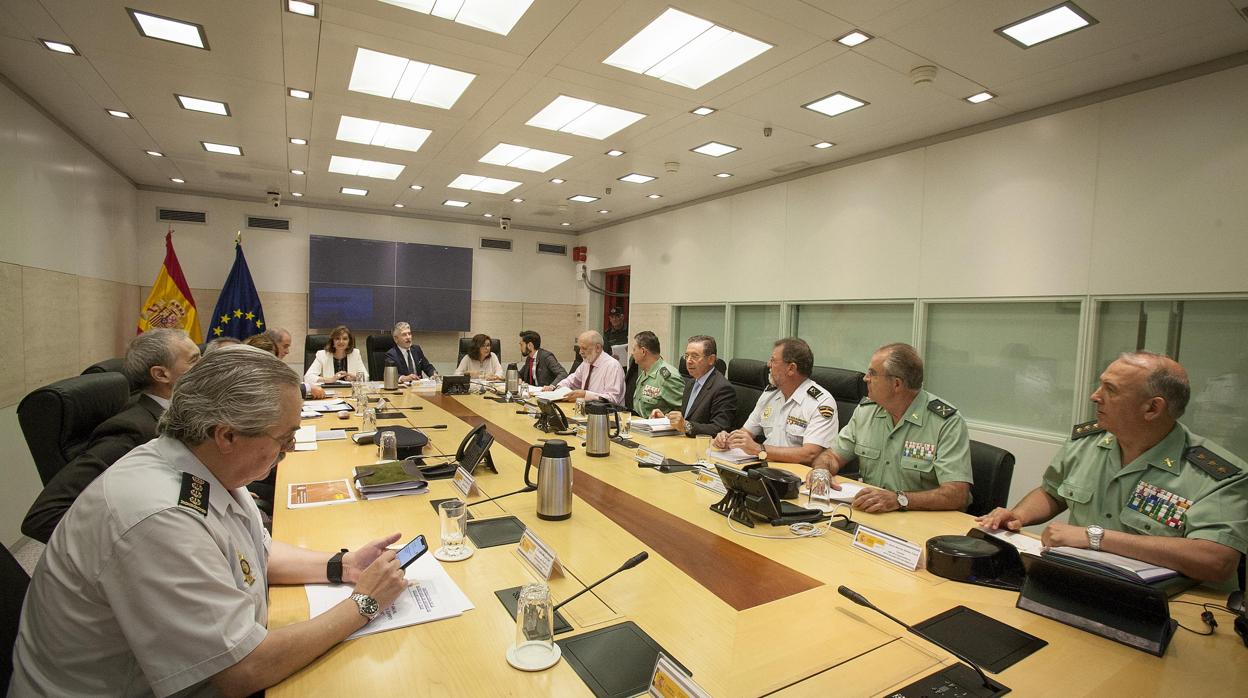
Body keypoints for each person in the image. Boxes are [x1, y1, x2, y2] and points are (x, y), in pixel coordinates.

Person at [10, 345, 409, 696]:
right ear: (227, 435)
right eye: (283, 438)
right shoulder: (158, 518)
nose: (288, 448)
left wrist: (342, 565)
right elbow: (242, 670)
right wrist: (364, 603)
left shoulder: (200, 463)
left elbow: (253, 551)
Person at [979, 352, 1248, 587]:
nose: (1095, 396)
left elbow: (1217, 560)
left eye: (1111, 389)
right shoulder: (1088, 443)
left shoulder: (1215, 474)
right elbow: (1052, 493)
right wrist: (1018, 516)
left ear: (1153, 408)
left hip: (1166, 606)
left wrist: (1094, 537)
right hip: (1077, 583)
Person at [20, 329, 201, 543]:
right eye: (194, 361)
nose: (207, 367)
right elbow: (43, 517)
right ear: (161, 374)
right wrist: (136, 544)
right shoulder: (131, 432)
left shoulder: (176, 415)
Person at [810, 343, 973, 512]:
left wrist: (900, 499)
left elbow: (956, 494)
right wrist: (821, 471)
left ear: (896, 384)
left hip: (922, 520)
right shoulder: (866, 412)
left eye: (872, 373)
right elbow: (832, 456)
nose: (865, 378)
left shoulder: (945, 422)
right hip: (872, 515)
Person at [712, 338, 837, 466]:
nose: (768, 365)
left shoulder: (821, 402)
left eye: (773, 360)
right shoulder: (770, 393)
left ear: (791, 368)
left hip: (796, 476)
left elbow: (810, 454)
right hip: (763, 468)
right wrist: (727, 439)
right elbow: (746, 432)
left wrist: (759, 449)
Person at [660, 335, 736, 437]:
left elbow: (720, 428)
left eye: (695, 356)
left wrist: (686, 426)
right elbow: (687, 417)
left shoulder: (723, 388)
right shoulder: (691, 383)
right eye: (686, 356)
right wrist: (666, 418)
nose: (688, 361)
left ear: (711, 359)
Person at [548, 330, 626, 405]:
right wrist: (557, 388)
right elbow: (571, 380)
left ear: (598, 348)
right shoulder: (586, 363)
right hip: (586, 411)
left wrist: (586, 395)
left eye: (584, 348)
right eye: (580, 348)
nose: (580, 352)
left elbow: (613, 399)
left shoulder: (612, 366)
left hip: (608, 414)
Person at [247, 333, 324, 399]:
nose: (287, 351)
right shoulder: (247, 373)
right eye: (285, 346)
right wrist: (307, 388)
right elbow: (273, 389)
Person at [630, 331, 684, 417]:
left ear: (643, 351)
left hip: (660, 429)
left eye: (634, 349)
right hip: (640, 426)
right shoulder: (643, 374)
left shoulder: (667, 377)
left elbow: (685, 412)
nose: (632, 353)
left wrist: (665, 418)